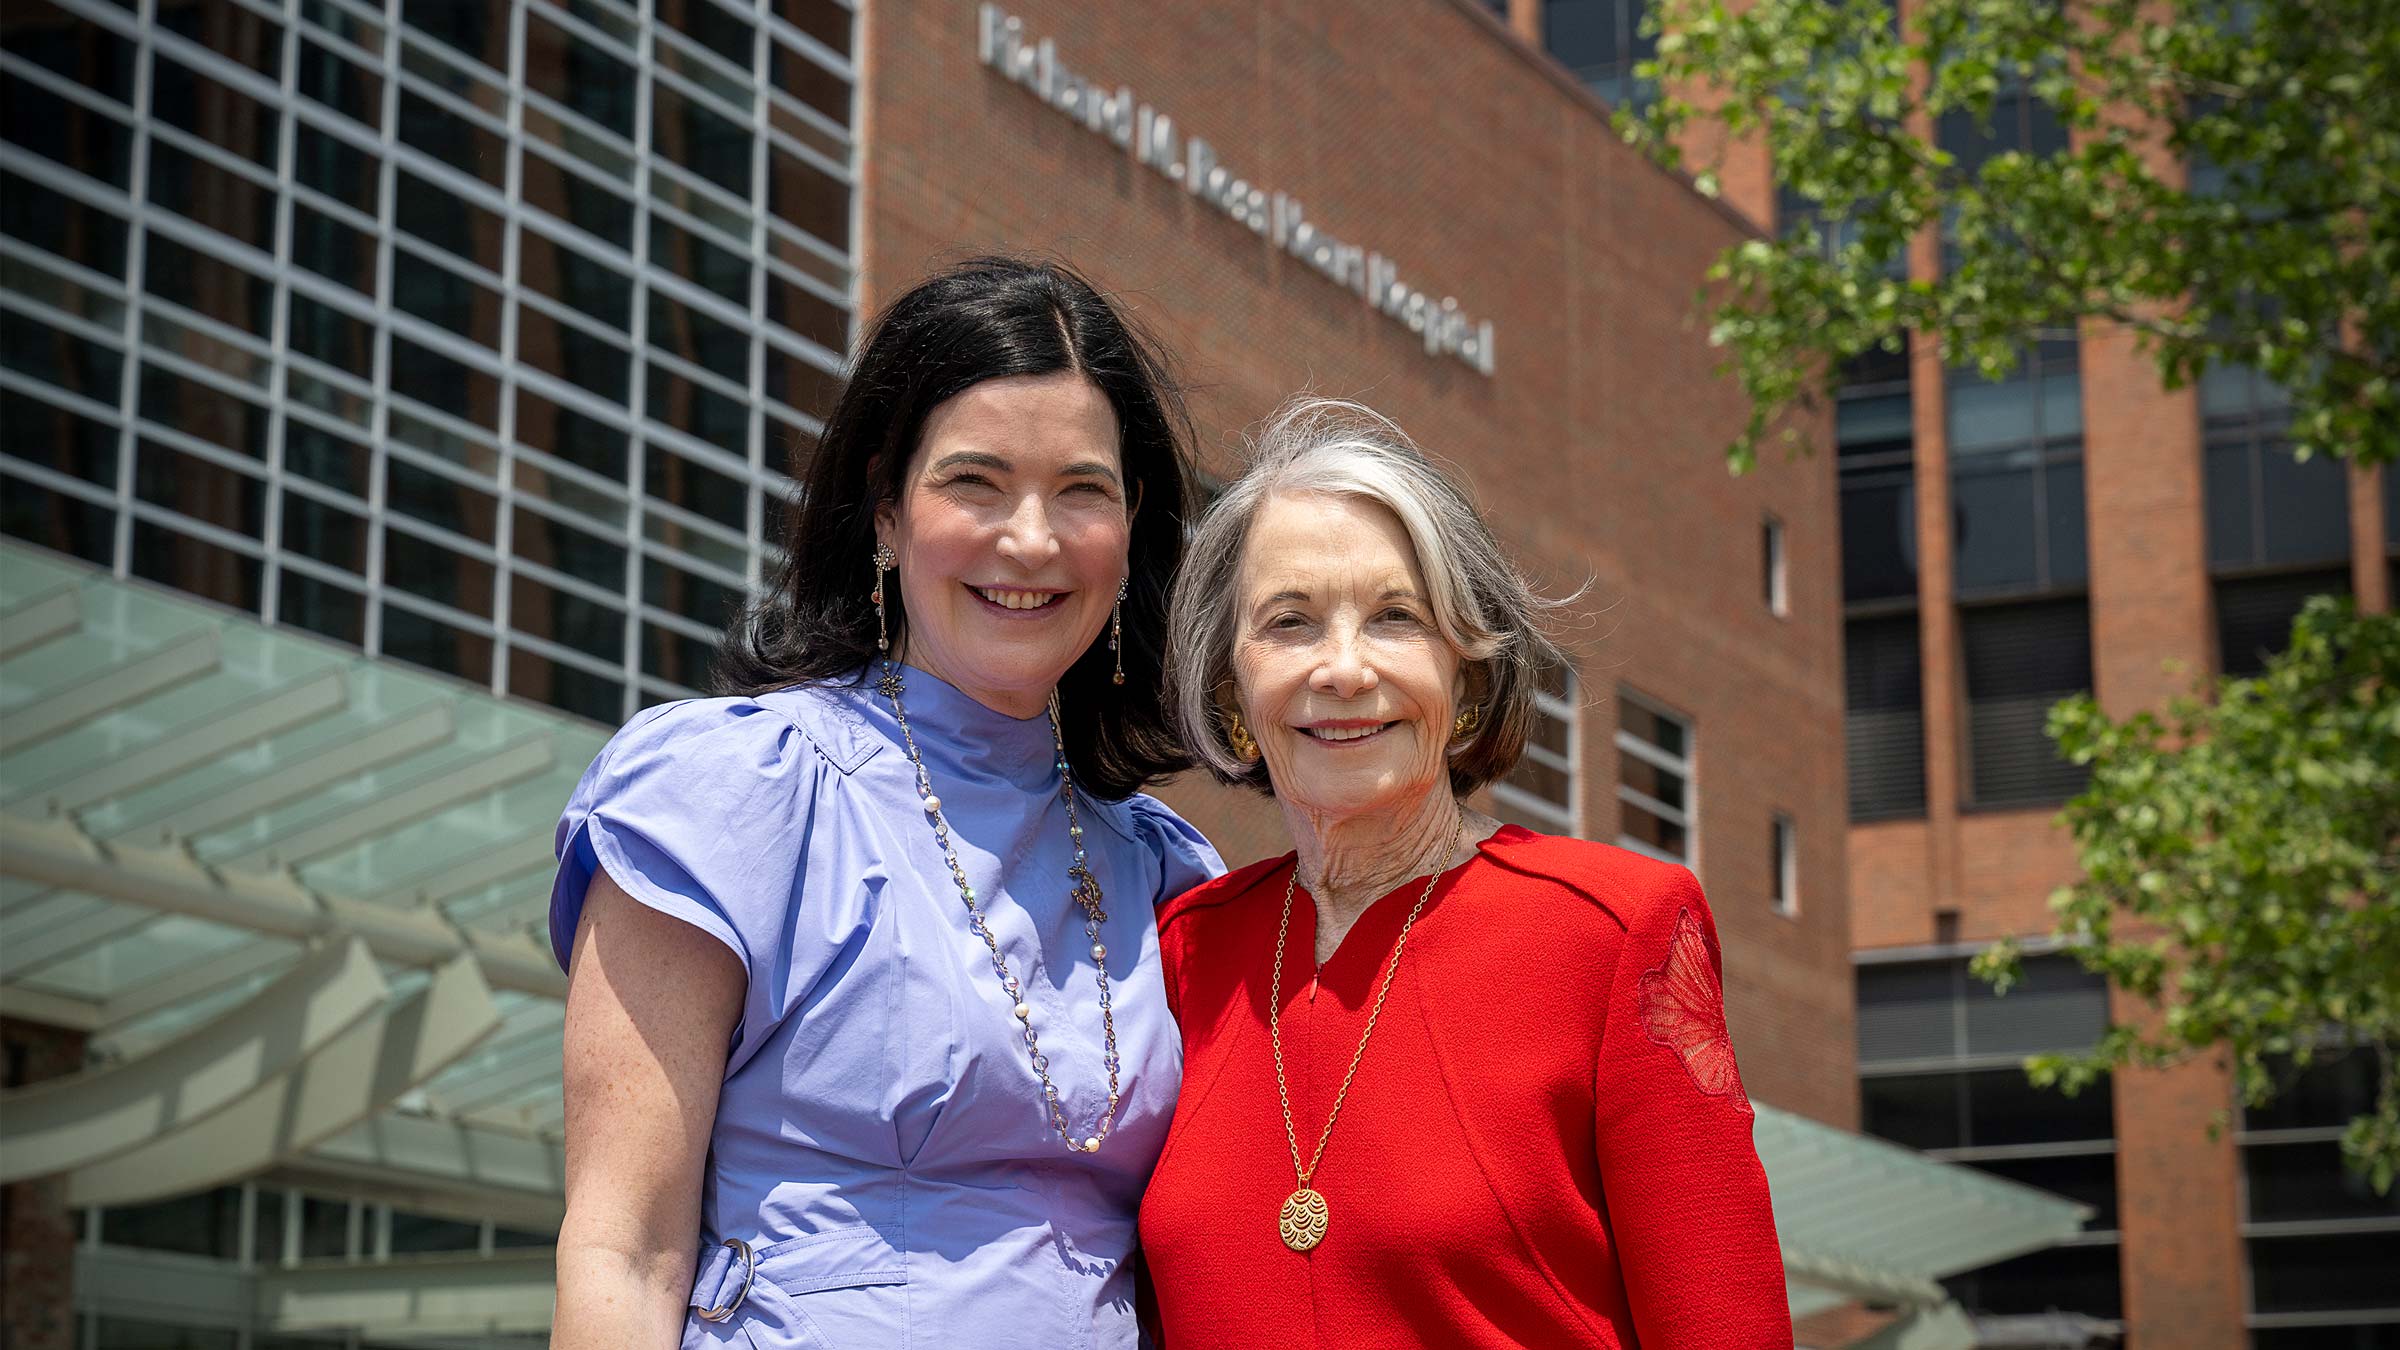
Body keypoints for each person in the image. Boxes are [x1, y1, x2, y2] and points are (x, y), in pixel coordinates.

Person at [547, 257, 1224, 1350]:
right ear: (884, 510)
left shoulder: (1171, 872)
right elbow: (623, 1251)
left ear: (1133, 527)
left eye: (1082, 490)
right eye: (976, 482)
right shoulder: (727, 797)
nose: (1032, 539)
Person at [1141, 399, 1791, 1348]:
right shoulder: (1177, 956)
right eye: (1290, 623)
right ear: (1231, 685)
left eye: (1396, 618)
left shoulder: (1616, 932)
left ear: (1469, 670)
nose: (1343, 669)